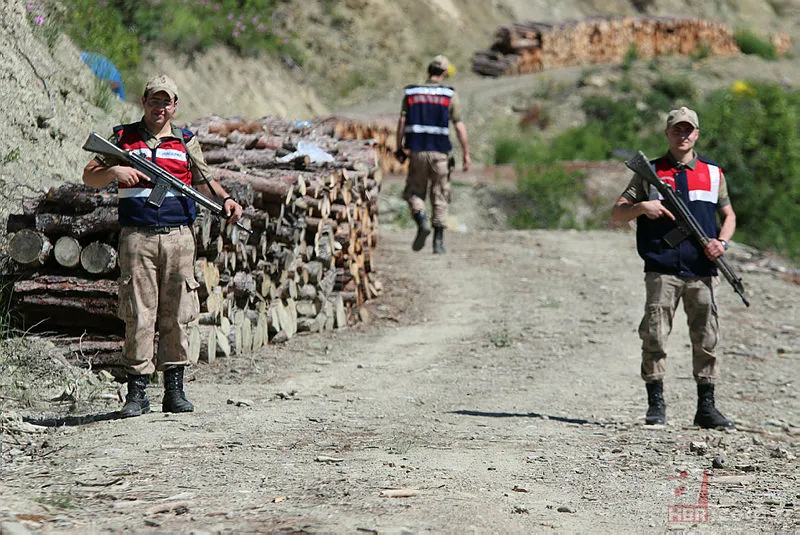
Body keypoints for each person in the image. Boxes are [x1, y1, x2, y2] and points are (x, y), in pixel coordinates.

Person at [82, 74, 243, 418]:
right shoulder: (122, 138)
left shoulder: (185, 141)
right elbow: (89, 175)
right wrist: (115, 173)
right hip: (137, 237)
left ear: (175, 106)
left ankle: (174, 390)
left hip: (178, 237)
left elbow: (206, 179)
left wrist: (226, 200)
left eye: (166, 101)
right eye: (154, 100)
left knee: (178, 313)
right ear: (144, 102)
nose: (160, 107)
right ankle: (137, 393)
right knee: (139, 313)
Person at [610, 106, 736, 429]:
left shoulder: (713, 173)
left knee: (707, 338)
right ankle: (656, 406)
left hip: (702, 269)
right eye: (677, 129)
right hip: (662, 268)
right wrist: (642, 207)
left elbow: (729, 216)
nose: (683, 135)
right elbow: (617, 214)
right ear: (667, 133)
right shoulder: (648, 171)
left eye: (689, 130)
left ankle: (706, 408)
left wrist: (720, 243)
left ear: (696, 134)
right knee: (654, 336)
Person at [395, 54, 471, 254]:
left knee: (413, 192)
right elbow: (460, 126)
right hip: (440, 153)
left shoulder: (411, 93)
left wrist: (399, 147)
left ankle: (421, 221)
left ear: (429, 71)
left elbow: (402, 122)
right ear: (445, 73)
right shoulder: (449, 95)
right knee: (440, 194)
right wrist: (466, 153)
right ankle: (438, 243)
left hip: (417, 151)